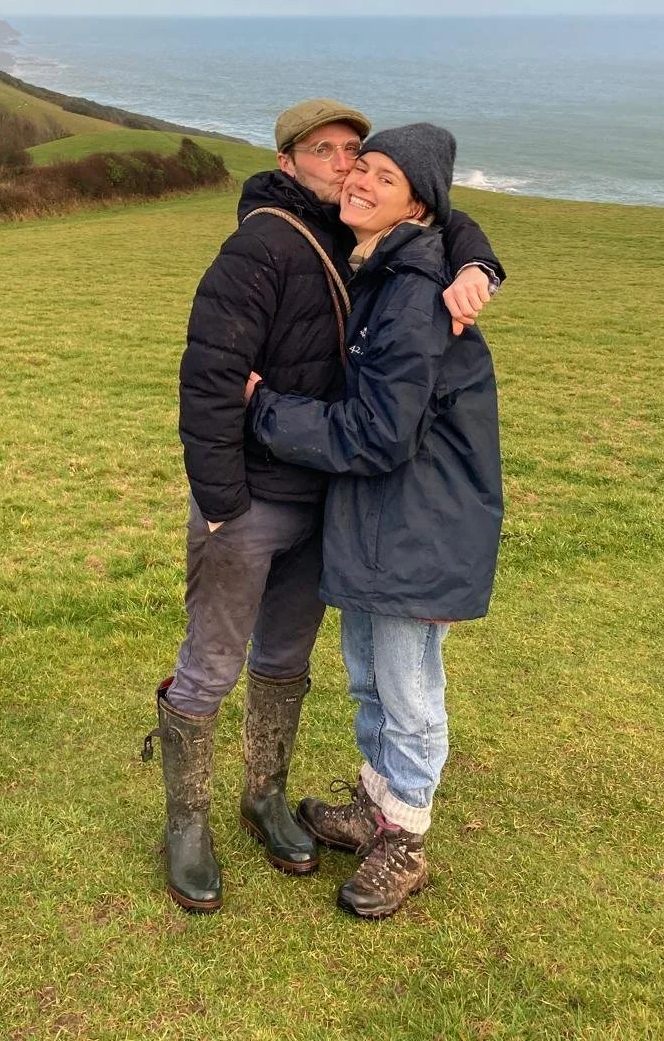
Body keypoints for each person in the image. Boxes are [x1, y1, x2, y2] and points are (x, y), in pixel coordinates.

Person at [146, 99, 503, 914]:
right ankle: (187, 825)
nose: (347, 169)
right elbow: (209, 377)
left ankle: (265, 797)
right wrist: (220, 504)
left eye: (359, 154)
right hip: (251, 502)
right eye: (328, 152)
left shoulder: (366, 243)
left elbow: (443, 217)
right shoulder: (260, 245)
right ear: (287, 162)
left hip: (330, 500)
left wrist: (480, 264)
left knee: (287, 660)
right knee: (211, 665)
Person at [248, 123, 504, 920]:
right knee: (369, 676)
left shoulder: (416, 294)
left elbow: (377, 434)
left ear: (416, 206)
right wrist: (477, 256)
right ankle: (375, 805)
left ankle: (407, 840)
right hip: (379, 516)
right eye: (363, 164)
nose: (358, 179)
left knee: (408, 688)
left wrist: (264, 408)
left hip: (419, 524)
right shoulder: (384, 265)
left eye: (384, 176)